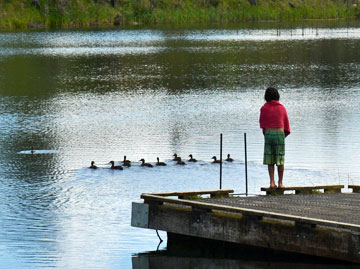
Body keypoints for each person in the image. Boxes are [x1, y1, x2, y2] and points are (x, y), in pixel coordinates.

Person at [259, 87, 290, 189]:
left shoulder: (264, 108)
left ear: (266, 97)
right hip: (279, 134)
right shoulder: (282, 108)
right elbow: (286, 125)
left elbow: (262, 124)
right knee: (280, 159)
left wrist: (267, 134)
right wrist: (282, 136)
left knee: (270, 159)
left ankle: (272, 183)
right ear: (277, 96)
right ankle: (280, 183)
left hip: (269, 134)